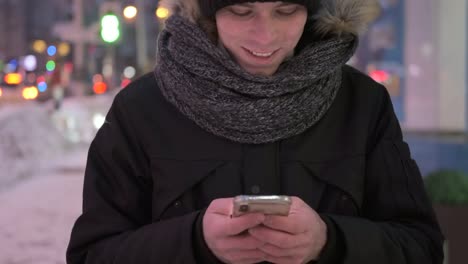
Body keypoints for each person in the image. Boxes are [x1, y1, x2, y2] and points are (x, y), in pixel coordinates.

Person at [66, 0, 444, 263]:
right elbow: (92, 254)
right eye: (241, 10)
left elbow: (421, 247)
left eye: (286, 10)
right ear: (208, 13)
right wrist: (195, 241)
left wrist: (328, 241)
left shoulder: (362, 104)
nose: (265, 36)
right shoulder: (141, 108)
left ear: (312, 12)